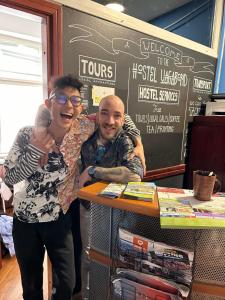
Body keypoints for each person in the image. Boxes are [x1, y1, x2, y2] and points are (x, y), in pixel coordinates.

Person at [4, 74, 145, 300]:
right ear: (49, 103)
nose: (69, 105)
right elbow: (10, 177)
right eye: (61, 98)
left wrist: (138, 142)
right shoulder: (26, 134)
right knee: (31, 287)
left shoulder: (82, 128)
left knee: (67, 284)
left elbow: (118, 115)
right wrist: (36, 149)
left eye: (75, 100)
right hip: (25, 223)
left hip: (60, 219)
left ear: (80, 107)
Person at [78, 95, 144, 299]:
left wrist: (92, 171)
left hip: (119, 212)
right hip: (88, 207)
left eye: (117, 116)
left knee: (118, 258)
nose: (110, 121)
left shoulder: (124, 140)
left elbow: (134, 176)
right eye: (104, 113)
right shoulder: (84, 134)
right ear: (96, 115)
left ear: (123, 119)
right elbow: (47, 113)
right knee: (88, 256)